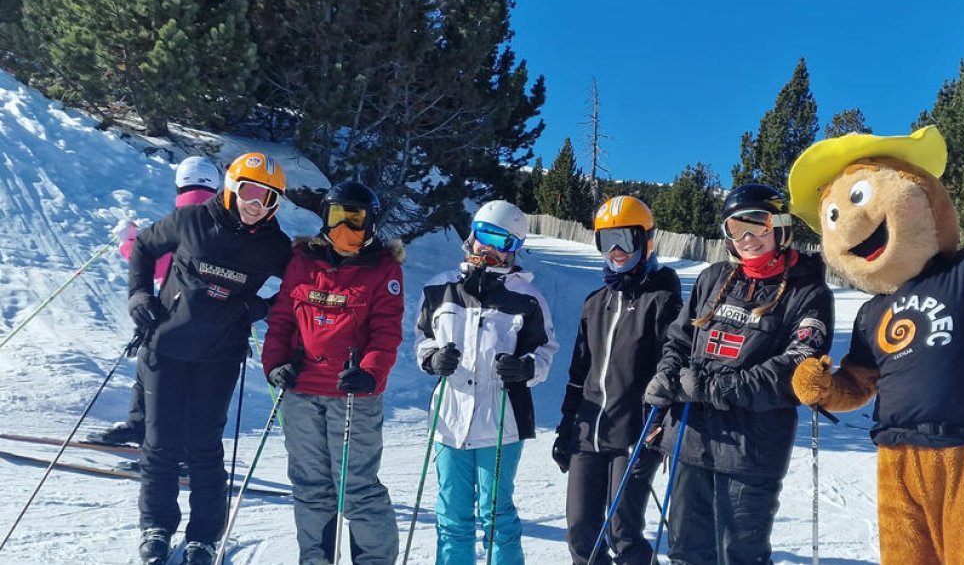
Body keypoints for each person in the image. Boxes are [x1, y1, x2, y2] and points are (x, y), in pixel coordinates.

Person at [643, 183, 833, 564]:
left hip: (751, 452)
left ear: (780, 226)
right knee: (686, 554)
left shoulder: (807, 292)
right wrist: (668, 375)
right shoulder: (712, 279)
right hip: (692, 441)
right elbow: (679, 339)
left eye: (758, 224)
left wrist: (712, 387)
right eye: (735, 228)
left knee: (740, 557)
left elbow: (796, 366)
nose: (747, 237)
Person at [128, 152, 292, 565]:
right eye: (250, 191)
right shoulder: (192, 220)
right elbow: (144, 246)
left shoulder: (275, 246)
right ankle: (156, 526)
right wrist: (139, 295)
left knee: (203, 446)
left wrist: (258, 308)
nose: (256, 204)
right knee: (160, 443)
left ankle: (203, 537)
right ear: (232, 186)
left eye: (268, 198)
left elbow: (299, 288)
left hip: (219, 356)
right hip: (166, 346)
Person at [262, 180, 405, 565]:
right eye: (337, 216)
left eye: (354, 219)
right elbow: (281, 320)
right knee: (310, 487)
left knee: (357, 489)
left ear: (370, 223)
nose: (344, 227)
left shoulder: (383, 268)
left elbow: (386, 332)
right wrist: (275, 365)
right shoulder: (304, 261)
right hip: (302, 390)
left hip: (352, 395)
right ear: (325, 217)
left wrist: (370, 373)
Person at [414, 200, 558, 565]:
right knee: (452, 515)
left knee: (497, 516)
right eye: (485, 236)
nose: (490, 248)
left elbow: (545, 352)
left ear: (514, 249)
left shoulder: (528, 298)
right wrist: (433, 358)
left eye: (503, 242)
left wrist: (524, 368)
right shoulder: (439, 288)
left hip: (502, 422)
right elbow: (422, 339)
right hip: (450, 418)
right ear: (472, 236)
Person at [555, 196, 682, 565]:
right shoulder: (595, 303)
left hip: (635, 434)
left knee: (622, 531)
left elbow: (671, 369)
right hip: (588, 433)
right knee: (581, 532)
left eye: (625, 238)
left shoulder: (662, 302)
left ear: (645, 241)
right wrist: (567, 426)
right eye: (606, 240)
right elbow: (579, 375)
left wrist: (659, 429)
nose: (616, 250)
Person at [94, 155, 222, 446]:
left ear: (179, 184)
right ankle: (163, 437)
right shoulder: (220, 219)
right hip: (213, 315)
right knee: (179, 376)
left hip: (174, 311)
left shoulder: (182, 219)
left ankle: (149, 434)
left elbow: (159, 263)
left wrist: (129, 242)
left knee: (157, 371)